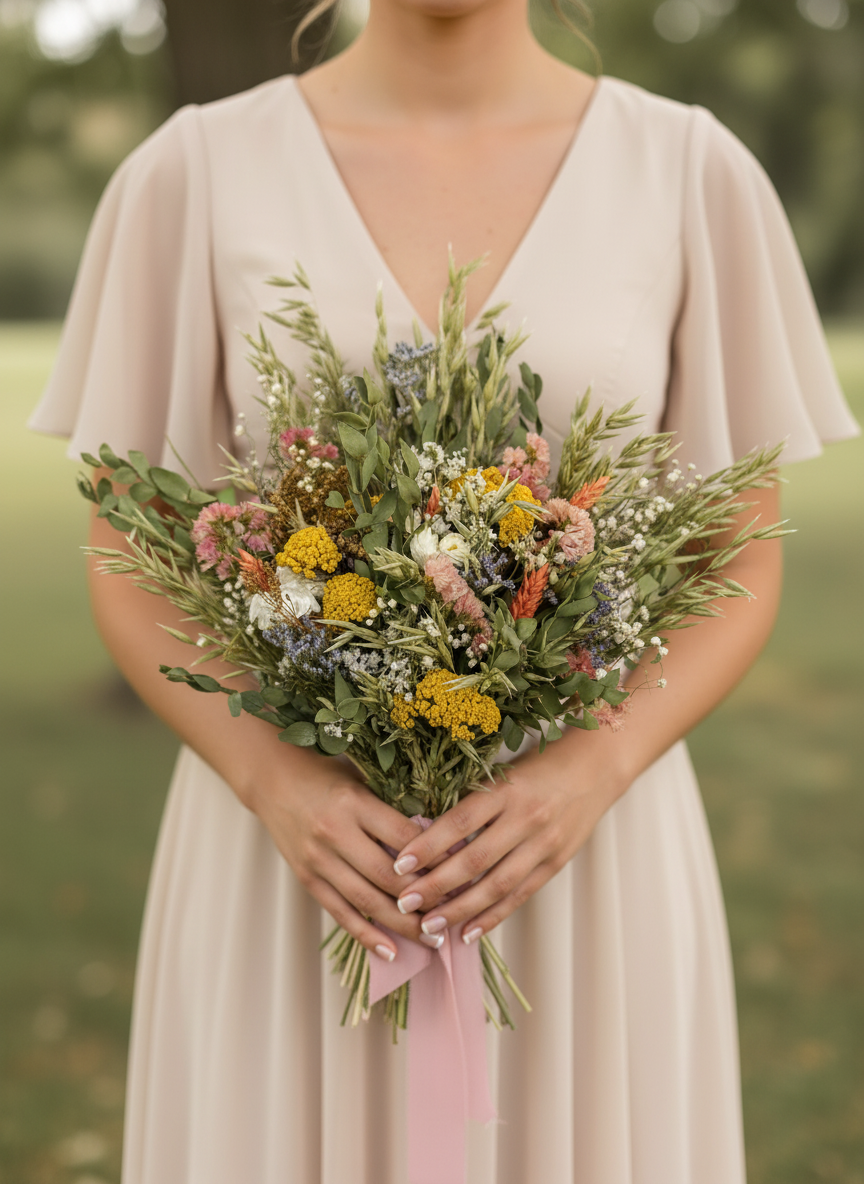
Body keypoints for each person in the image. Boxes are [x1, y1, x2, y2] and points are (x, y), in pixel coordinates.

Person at [30, 0, 859, 1179]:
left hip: (582, 856)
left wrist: (589, 771)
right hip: (296, 861)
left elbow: (738, 556)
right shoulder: (190, 176)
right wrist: (280, 785)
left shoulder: (691, 174)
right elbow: (134, 557)